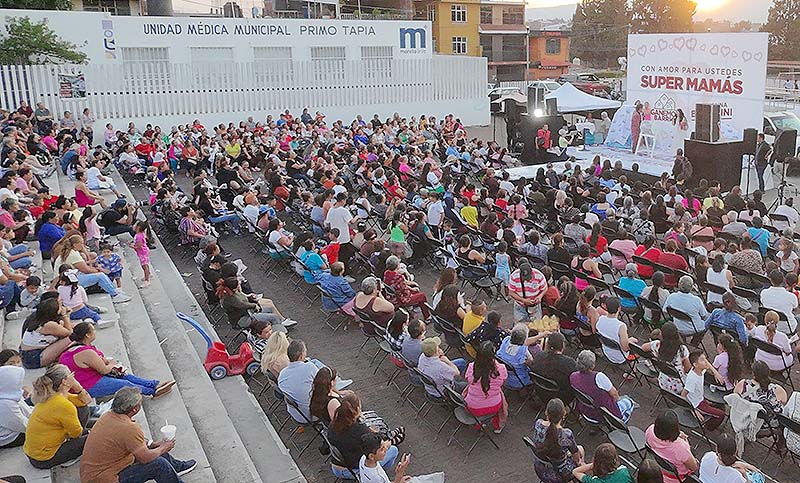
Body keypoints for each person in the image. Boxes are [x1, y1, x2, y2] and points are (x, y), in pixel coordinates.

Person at [79, 386, 197, 483]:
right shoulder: (129, 427)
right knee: (158, 464)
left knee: (153, 449)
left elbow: (130, 442)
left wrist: (153, 445)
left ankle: (176, 468)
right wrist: (163, 448)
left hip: (94, 473)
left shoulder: (108, 416)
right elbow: (145, 458)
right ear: (135, 409)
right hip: (104, 478)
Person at [59, 322, 175, 399]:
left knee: (125, 376)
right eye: (93, 330)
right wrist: (112, 363)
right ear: (87, 335)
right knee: (125, 384)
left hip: (90, 376)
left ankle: (154, 384)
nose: (95, 332)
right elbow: (104, 370)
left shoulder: (77, 346)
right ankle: (151, 391)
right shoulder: (85, 352)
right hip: (86, 385)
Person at [24, 364, 92, 469]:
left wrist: (78, 388)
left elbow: (85, 402)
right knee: (94, 438)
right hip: (45, 458)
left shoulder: (53, 395)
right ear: (64, 381)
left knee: (83, 411)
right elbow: (76, 433)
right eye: (71, 374)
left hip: (34, 454)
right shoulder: (63, 404)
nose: (73, 376)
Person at [327, 393, 399, 478]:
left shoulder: (333, 424)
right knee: (393, 450)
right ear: (357, 409)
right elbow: (377, 445)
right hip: (351, 470)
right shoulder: (360, 430)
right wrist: (388, 442)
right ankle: (377, 475)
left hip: (336, 465)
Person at [571, 349, 636, 422]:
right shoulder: (599, 377)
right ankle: (622, 420)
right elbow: (614, 394)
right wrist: (617, 402)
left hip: (585, 411)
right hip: (603, 415)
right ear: (592, 365)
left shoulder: (573, 376)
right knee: (629, 402)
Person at [531, 398, 584, 483]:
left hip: (540, 468)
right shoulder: (566, 434)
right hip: (559, 473)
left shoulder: (538, 424)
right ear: (564, 413)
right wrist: (580, 464)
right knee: (580, 450)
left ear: (546, 412)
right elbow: (576, 458)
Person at [463, 341, 508, 432]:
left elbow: (468, 380)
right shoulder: (501, 369)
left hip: (471, 407)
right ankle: (498, 425)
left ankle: (478, 424)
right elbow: (503, 382)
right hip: (493, 406)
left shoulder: (471, 367)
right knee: (502, 398)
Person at [19, 297, 74, 369]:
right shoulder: (49, 325)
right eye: (60, 307)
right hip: (34, 357)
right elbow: (69, 332)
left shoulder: (37, 319)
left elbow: (65, 328)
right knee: (71, 338)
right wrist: (65, 315)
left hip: (25, 354)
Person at [644, 410, 698, 483]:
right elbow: (694, 467)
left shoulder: (650, 430)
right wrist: (686, 443)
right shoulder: (681, 447)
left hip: (656, 469)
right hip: (675, 479)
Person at [682, 350, 726, 431]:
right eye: (702, 360)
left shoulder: (700, 370)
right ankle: (707, 427)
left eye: (705, 358)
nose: (706, 361)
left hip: (701, 398)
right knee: (721, 414)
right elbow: (683, 395)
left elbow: (707, 364)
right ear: (695, 365)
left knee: (721, 406)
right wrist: (693, 410)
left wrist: (716, 373)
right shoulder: (692, 379)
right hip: (697, 404)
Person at [277, 340, 319, 423]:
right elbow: (324, 385)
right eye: (305, 352)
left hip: (296, 414)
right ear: (301, 356)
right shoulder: (309, 367)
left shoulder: (282, 374)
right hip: (311, 415)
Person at [643, 322, 690, 394]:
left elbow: (643, 347)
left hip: (663, 383)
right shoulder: (682, 349)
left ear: (662, 335)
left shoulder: (657, 344)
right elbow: (687, 369)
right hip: (680, 386)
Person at [532, 332, 577, 404]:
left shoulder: (539, 356)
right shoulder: (570, 363)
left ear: (547, 344)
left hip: (541, 391)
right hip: (561, 397)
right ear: (563, 346)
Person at [0, 351, 31, 449]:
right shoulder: (5, 403)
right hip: (10, 437)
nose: (16, 366)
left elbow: (24, 409)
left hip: (16, 423)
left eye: (18, 362)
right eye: (11, 364)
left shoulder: (8, 388)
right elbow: (24, 426)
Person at [663, 276, 708, 340]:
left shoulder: (672, 297)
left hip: (677, 327)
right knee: (709, 320)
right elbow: (704, 315)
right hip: (694, 329)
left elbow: (665, 311)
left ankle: (682, 340)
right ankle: (695, 342)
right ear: (691, 287)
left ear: (679, 285)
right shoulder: (697, 300)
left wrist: (676, 315)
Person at [596, 297, 637, 365]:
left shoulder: (600, 319)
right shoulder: (621, 326)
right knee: (636, 346)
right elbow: (625, 348)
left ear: (606, 307)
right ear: (619, 308)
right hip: (620, 358)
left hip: (606, 352)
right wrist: (630, 340)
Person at [760, 270, 798, 334]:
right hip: (787, 328)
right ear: (783, 280)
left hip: (768, 323)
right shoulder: (791, 296)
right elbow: (796, 309)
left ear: (770, 280)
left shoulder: (763, 293)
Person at [131, 220, 151, 288]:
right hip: (143, 252)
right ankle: (148, 274)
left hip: (142, 252)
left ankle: (147, 280)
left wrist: (132, 246)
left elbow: (139, 246)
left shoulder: (139, 236)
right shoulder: (139, 234)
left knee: (144, 266)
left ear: (138, 227)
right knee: (145, 264)